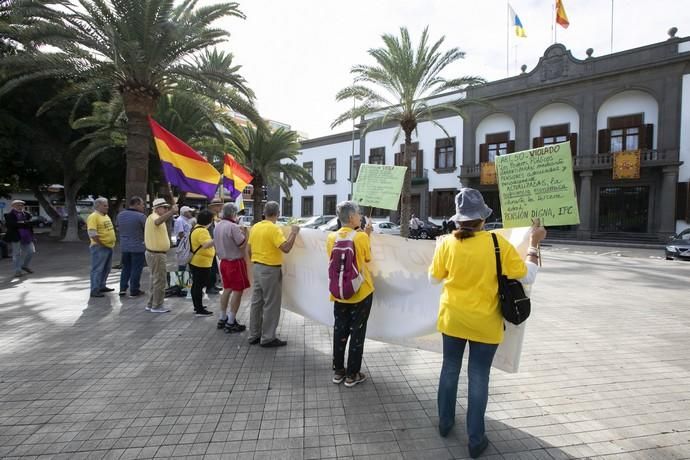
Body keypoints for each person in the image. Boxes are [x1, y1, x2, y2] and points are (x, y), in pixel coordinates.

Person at [428, 188, 546, 458]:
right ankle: (475, 439)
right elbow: (527, 277)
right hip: (485, 323)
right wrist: (534, 243)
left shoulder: (445, 243)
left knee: (449, 370)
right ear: (482, 218)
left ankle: (445, 424)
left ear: (458, 220)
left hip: (452, 318)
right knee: (478, 376)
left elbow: (433, 279)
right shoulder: (496, 244)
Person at [326, 201, 374, 388]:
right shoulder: (360, 237)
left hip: (339, 292)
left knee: (340, 330)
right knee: (357, 332)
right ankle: (352, 375)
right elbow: (367, 258)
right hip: (360, 292)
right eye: (359, 213)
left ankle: (339, 371)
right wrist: (366, 234)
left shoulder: (331, 237)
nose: (361, 215)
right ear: (352, 216)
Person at [247, 201, 300, 347]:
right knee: (271, 304)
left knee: (256, 303)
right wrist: (294, 233)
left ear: (264, 211)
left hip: (257, 267)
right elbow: (286, 248)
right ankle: (268, 337)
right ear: (278, 213)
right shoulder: (274, 229)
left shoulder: (256, 227)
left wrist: (255, 261)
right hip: (270, 269)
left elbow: (249, 249)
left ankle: (254, 334)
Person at [214, 202, 249, 331]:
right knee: (238, 291)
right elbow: (242, 244)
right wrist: (245, 233)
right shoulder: (233, 227)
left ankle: (222, 318)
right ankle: (231, 320)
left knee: (227, 289)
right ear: (234, 214)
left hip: (223, 262)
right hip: (235, 262)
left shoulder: (217, 226)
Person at [144, 198, 177, 313]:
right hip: (156, 254)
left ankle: (151, 303)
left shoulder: (154, 217)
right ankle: (157, 305)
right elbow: (158, 222)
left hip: (155, 254)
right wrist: (172, 212)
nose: (166, 209)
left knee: (155, 280)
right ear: (157, 208)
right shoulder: (154, 217)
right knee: (160, 280)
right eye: (164, 207)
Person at [116, 196, 147, 297]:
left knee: (126, 268)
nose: (143, 207)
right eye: (142, 204)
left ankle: (122, 288)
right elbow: (147, 230)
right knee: (136, 269)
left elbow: (118, 228)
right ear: (137, 204)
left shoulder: (120, 215)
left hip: (125, 246)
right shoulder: (141, 216)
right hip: (138, 246)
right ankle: (134, 290)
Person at [87, 197, 116, 297]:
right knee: (98, 269)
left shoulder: (105, 216)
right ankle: (94, 289)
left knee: (106, 268)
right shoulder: (93, 216)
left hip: (108, 246)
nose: (107, 207)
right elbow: (92, 233)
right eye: (105, 205)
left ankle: (101, 285)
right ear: (98, 206)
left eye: (107, 205)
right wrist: (101, 243)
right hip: (99, 247)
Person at [189, 210, 216, 316]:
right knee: (199, 285)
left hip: (198, 261)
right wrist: (216, 238)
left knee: (196, 285)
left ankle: (197, 306)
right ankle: (199, 309)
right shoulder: (202, 231)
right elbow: (206, 244)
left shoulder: (196, 228)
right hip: (201, 263)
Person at [3, 200, 35, 278]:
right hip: (16, 237)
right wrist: (24, 223)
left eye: (21, 205)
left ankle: (24, 266)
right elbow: (11, 225)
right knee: (17, 254)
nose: (20, 207)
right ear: (13, 206)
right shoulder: (8, 215)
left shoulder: (27, 214)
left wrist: (20, 223)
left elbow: (31, 224)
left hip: (27, 236)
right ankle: (17, 271)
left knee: (31, 251)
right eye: (18, 205)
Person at [205, 198, 223, 295]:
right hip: (208, 243)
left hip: (213, 244)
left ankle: (212, 285)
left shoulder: (214, 216)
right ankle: (209, 286)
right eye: (219, 205)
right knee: (210, 267)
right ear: (213, 206)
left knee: (214, 267)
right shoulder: (208, 215)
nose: (220, 207)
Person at [173, 206, 194, 271]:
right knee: (182, 261)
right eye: (189, 211)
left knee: (187, 259)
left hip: (187, 241)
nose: (191, 213)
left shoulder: (186, 220)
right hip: (183, 242)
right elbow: (180, 234)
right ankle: (181, 277)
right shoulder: (180, 220)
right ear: (185, 213)